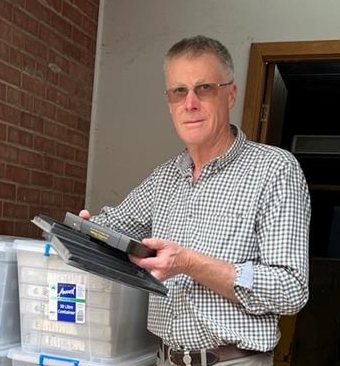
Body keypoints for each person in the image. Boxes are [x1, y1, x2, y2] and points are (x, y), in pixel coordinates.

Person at [79, 35, 311, 366]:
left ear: (230, 94)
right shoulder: (164, 178)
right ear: (169, 102)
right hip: (165, 358)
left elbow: (290, 289)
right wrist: (85, 229)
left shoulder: (274, 170)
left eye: (204, 88)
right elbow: (113, 224)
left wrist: (190, 264)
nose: (190, 103)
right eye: (178, 92)